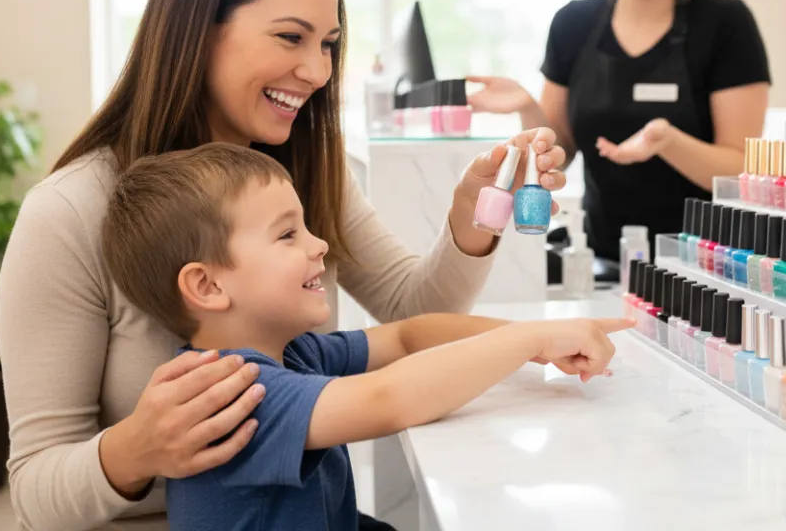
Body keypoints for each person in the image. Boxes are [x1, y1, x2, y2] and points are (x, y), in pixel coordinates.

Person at [0, 0, 568, 531]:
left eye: (328, 45)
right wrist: (136, 449)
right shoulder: (68, 213)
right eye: (290, 38)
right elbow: (34, 491)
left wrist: (471, 220)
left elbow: (407, 315)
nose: (318, 72)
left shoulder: (291, 173)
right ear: (198, 29)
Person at [100, 142, 629, 531]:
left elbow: (409, 337)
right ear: (208, 284)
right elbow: (389, 397)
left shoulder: (290, 354)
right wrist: (530, 340)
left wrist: (538, 338)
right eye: (288, 234)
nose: (320, 244)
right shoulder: (229, 394)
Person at [468, 0, 770, 265]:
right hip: (602, 261)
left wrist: (669, 142)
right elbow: (560, 148)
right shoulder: (574, 23)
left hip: (708, 270)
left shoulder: (725, 24)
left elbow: (740, 171)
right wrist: (527, 106)